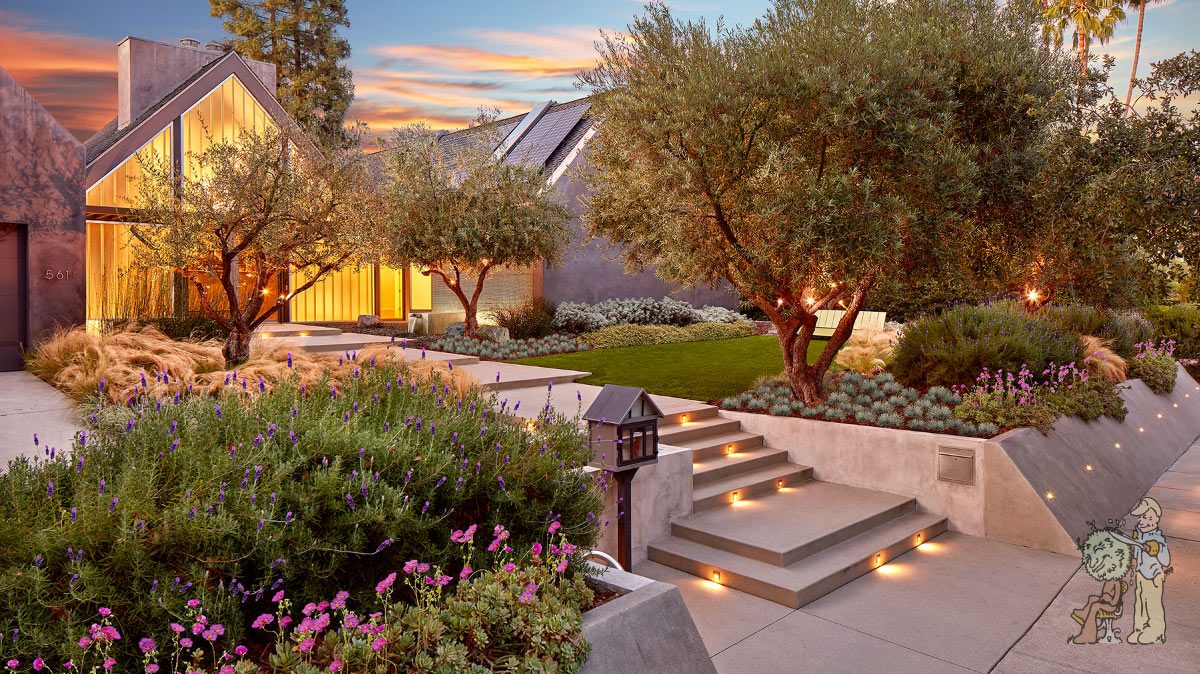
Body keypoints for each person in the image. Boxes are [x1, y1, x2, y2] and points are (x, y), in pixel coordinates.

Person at [1070, 529, 1133, 645]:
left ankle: (1088, 635)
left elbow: (1115, 601)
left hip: (1113, 607)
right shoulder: (1111, 577)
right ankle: (1084, 614)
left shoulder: (1116, 580)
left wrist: (1109, 599)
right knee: (1092, 599)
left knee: (1094, 606)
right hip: (1107, 602)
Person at [1127, 497, 1171, 645]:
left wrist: (1156, 548)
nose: (1142, 521)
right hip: (1141, 574)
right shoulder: (1139, 535)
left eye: (1147, 517)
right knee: (1140, 603)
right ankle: (1139, 629)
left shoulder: (1158, 539)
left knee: (1153, 603)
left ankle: (1156, 632)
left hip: (1154, 577)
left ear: (1156, 519)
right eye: (1141, 517)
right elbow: (1135, 553)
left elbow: (1166, 560)